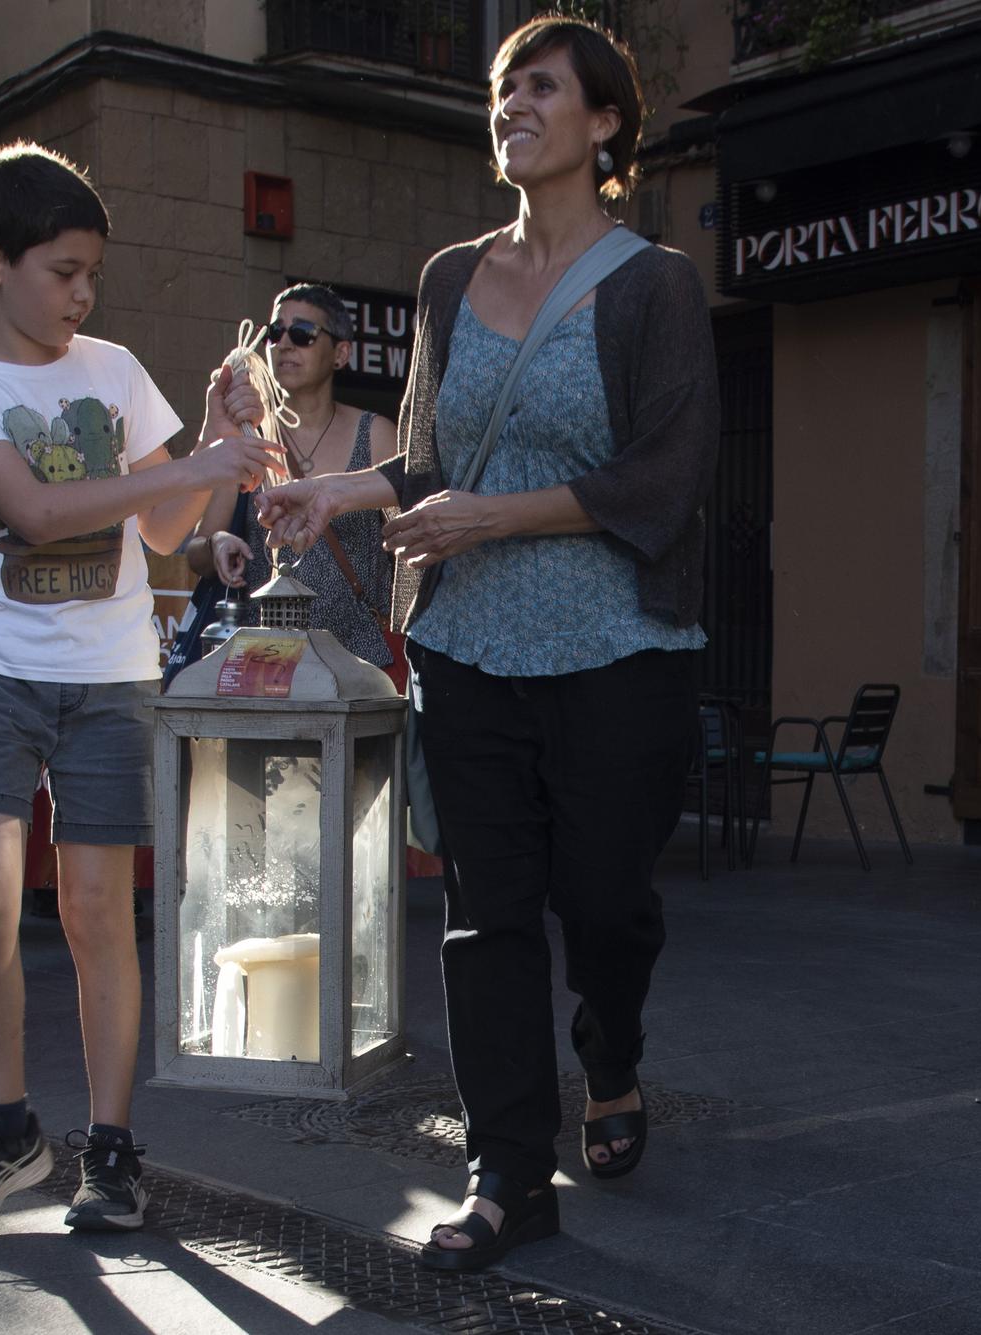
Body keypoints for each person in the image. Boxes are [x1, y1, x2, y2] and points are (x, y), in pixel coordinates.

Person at [258, 16, 716, 1271]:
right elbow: (431, 460)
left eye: (541, 88)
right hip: (465, 650)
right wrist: (337, 494)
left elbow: (666, 476)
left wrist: (494, 517)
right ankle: (508, 1173)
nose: (510, 105)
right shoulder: (450, 278)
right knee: (485, 918)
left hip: (617, 648)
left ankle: (607, 1051)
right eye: (502, 90)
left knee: (607, 905)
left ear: (605, 122)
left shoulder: (653, 286)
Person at [0, 141, 273, 1233]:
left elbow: (162, 531)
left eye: (89, 275)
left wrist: (214, 441)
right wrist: (191, 467)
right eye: (61, 271)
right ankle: (8, 1124)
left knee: (98, 911)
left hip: (111, 676)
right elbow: (35, 514)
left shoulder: (111, 368)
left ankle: (110, 1148)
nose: (81, 294)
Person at [190, 283, 400, 671]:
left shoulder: (374, 433)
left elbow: (408, 539)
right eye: (275, 332)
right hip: (266, 661)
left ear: (340, 353)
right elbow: (196, 550)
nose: (284, 344)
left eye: (302, 334)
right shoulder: (248, 434)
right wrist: (218, 543)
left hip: (359, 661)